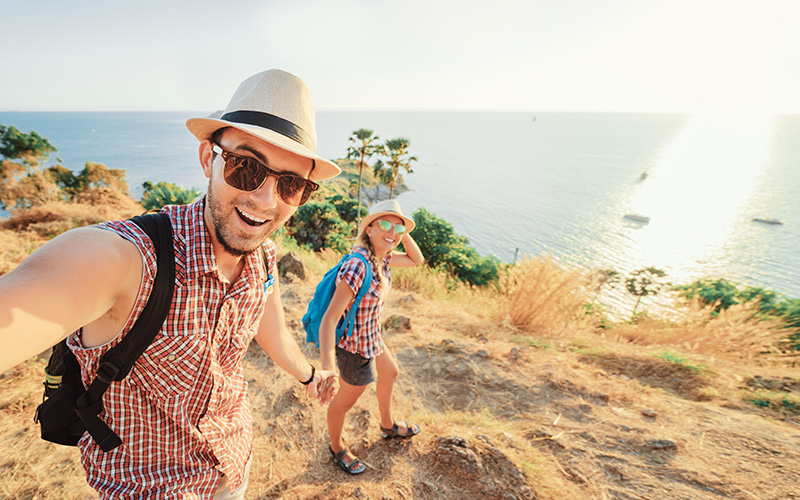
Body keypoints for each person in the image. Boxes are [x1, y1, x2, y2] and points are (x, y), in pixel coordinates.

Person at [0, 69, 341, 499]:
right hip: (151, 487)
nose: (265, 200)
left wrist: (311, 376)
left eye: (291, 185)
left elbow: (271, 334)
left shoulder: (262, 258)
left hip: (233, 463)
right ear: (208, 159)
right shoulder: (131, 260)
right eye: (246, 167)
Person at [319, 199, 424, 475]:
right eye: (385, 225)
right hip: (355, 349)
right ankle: (336, 447)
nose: (392, 231)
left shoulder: (382, 256)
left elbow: (416, 260)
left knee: (390, 372)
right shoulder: (359, 266)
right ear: (369, 229)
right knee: (343, 403)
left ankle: (387, 426)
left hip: (371, 336)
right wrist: (328, 368)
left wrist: (400, 234)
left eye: (398, 227)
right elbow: (329, 319)